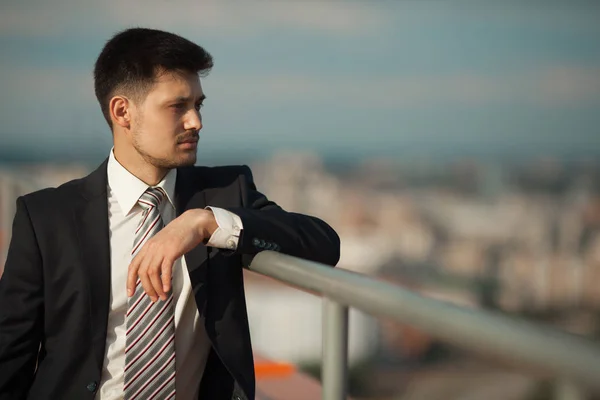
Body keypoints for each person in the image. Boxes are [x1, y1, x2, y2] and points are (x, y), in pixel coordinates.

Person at [0, 27, 340, 400]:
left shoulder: (224, 193)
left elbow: (323, 244)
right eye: (178, 106)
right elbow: (11, 355)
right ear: (122, 111)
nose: (196, 121)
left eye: (198, 104)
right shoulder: (47, 217)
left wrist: (206, 222)